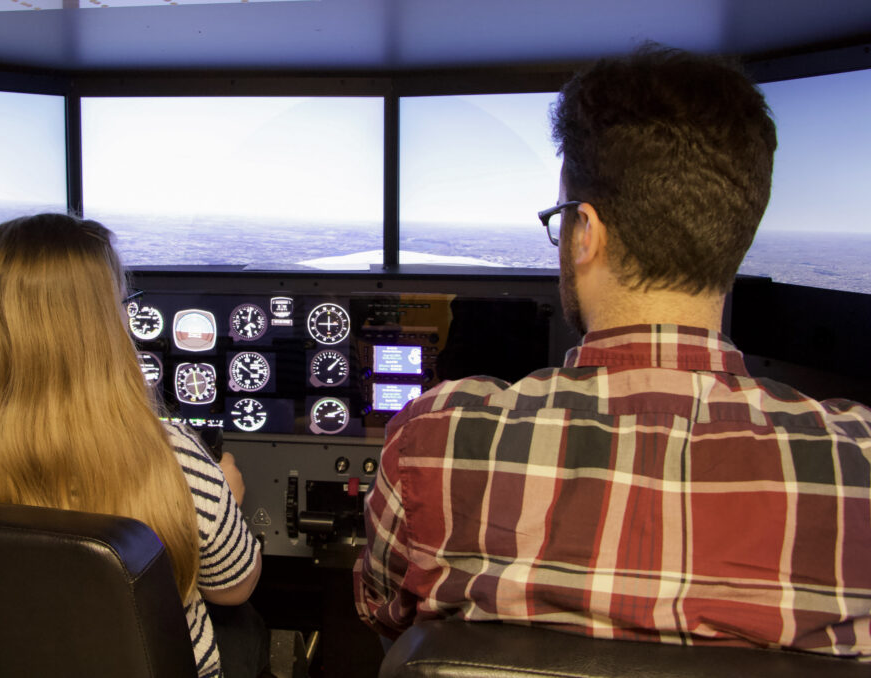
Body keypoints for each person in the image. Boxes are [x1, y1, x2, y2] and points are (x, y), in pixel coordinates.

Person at [354, 45, 871, 659]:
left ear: (586, 233)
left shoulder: (434, 438)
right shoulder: (858, 461)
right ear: (739, 231)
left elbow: (383, 612)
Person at [0, 214, 264, 678]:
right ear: (103, 327)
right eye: (122, 304)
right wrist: (225, 498)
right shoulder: (172, 457)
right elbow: (233, 588)